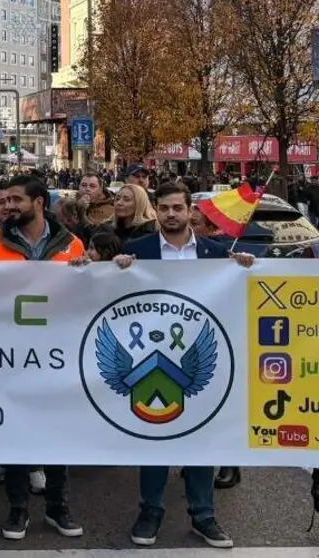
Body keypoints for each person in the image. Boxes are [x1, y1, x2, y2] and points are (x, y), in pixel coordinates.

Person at [105, 182, 254, 549]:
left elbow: (231, 297)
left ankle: (203, 515)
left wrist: (244, 268)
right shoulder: (136, 250)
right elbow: (114, 297)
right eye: (164, 207)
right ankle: (150, 511)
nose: (171, 214)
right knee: (154, 436)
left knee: (201, 437)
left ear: (191, 212)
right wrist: (117, 269)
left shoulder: (216, 253)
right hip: (150, 359)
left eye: (178, 207)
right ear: (155, 210)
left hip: (198, 358)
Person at [0, 174, 85, 541]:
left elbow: (85, 296)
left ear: (39, 203)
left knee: (58, 434)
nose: (7, 206)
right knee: (16, 433)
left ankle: (58, 507)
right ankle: (18, 509)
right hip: (9, 354)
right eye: (4, 201)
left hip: (58, 355)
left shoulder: (72, 244)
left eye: (16, 200)